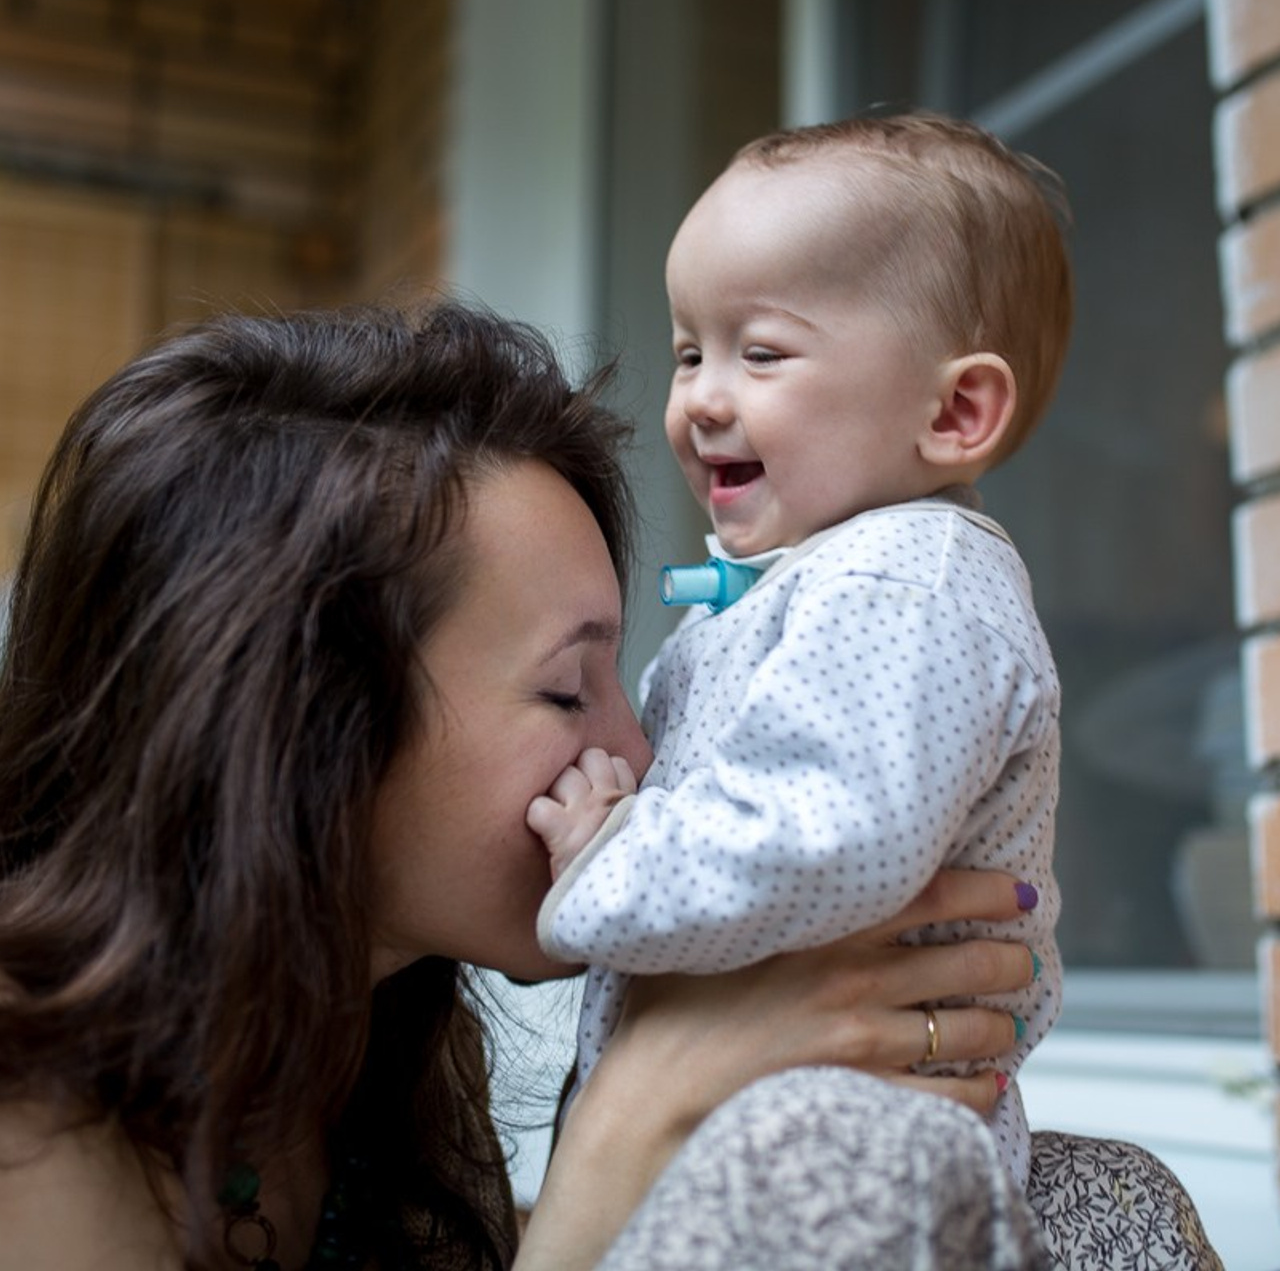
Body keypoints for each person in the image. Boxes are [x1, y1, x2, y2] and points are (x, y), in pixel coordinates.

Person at [0, 299, 1219, 1271]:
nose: (640, 762)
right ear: (304, 728)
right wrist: (634, 1116)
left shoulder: (385, 1061)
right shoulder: (32, 1123)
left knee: (1105, 1200)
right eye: (568, 691)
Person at [530, 109, 1069, 1189]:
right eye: (690, 350)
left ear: (956, 409)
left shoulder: (908, 581)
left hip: (842, 1173)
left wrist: (606, 863)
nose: (698, 399)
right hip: (751, 1144)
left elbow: (832, 836)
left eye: (760, 352)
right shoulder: (812, 581)